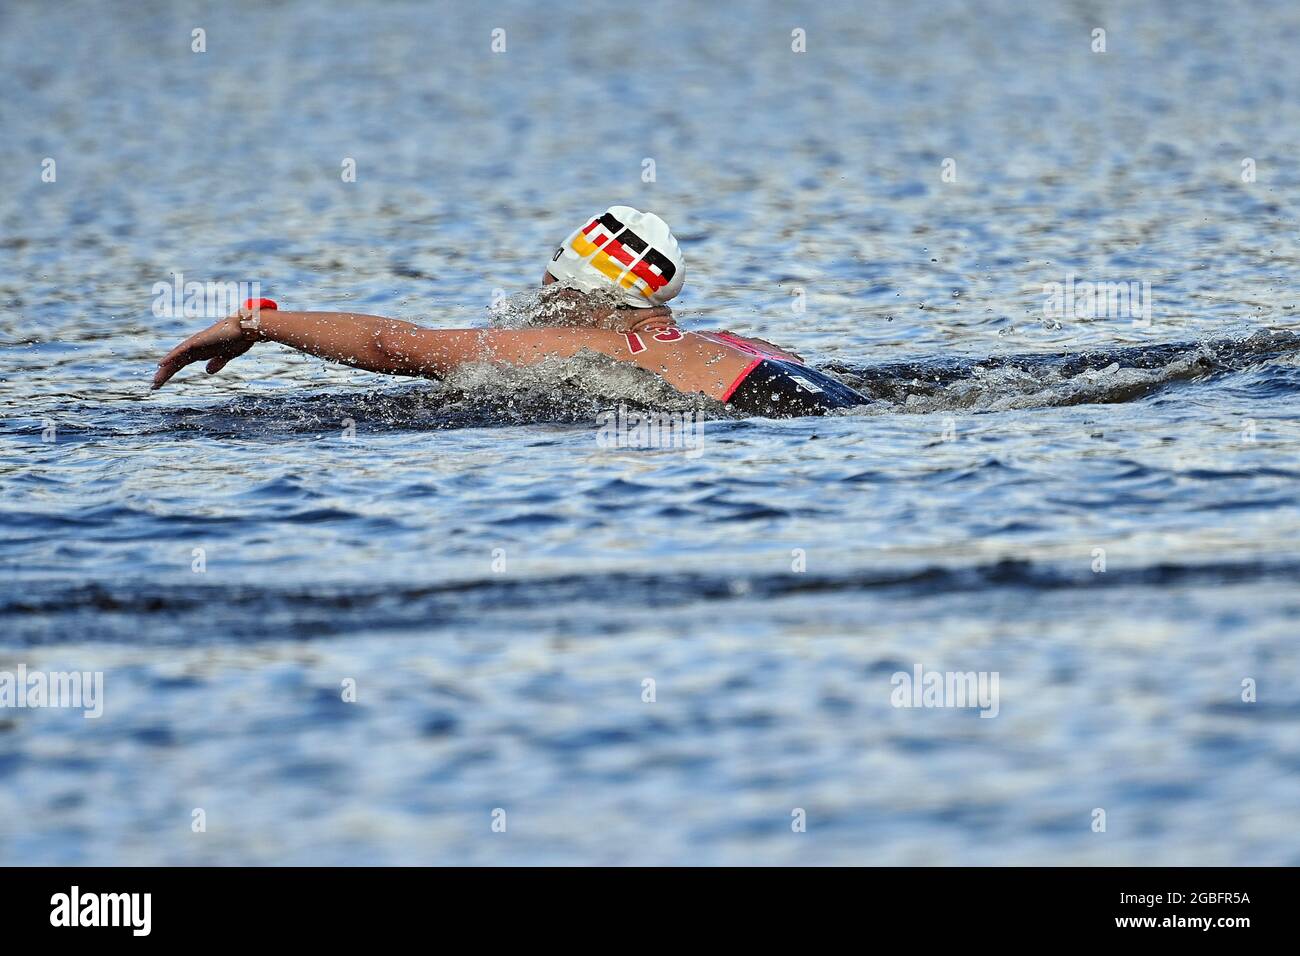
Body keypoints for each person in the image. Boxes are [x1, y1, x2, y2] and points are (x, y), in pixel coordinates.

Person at [152, 206, 867, 416]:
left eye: (549, 283)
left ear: (577, 293)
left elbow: (392, 343)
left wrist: (257, 322)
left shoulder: (584, 348)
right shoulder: (731, 340)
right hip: (821, 398)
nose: (542, 299)